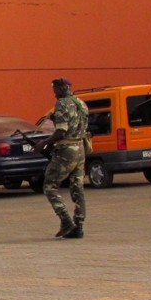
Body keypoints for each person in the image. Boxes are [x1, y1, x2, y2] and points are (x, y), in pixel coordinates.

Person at [34, 77, 88, 238]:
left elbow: (61, 132)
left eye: (55, 89)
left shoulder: (62, 104)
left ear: (60, 89)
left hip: (67, 150)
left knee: (49, 186)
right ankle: (78, 226)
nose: (54, 93)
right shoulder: (81, 103)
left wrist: (44, 143)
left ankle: (66, 221)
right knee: (77, 188)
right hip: (80, 148)